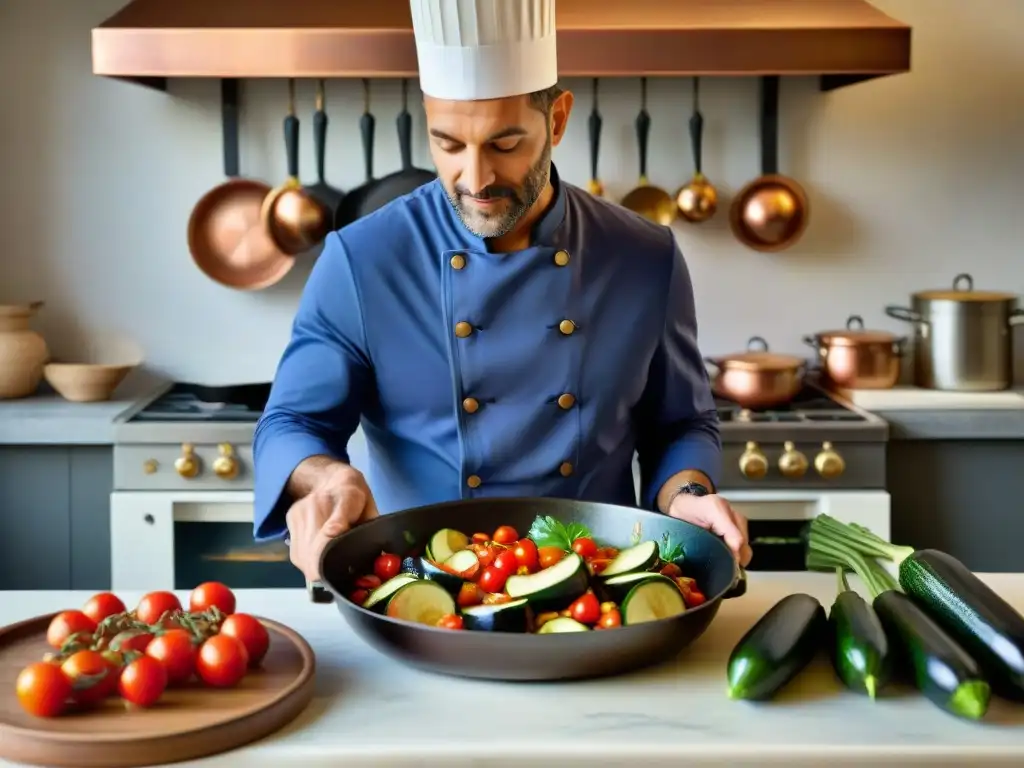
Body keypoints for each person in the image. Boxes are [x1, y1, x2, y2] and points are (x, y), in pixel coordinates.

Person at [253, 0, 752, 583]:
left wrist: (686, 494)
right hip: (419, 590)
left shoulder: (644, 256)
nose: (475, 178)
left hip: (598, 590)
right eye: (448, 144)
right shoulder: (362, 260)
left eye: (505, 145)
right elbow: (291, 423)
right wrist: (329, 478)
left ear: (558, 120)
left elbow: (681, 424)